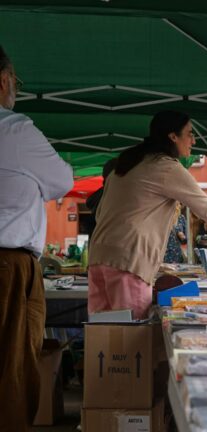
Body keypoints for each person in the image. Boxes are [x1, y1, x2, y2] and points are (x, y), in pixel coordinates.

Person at [88, 110, 207, 319]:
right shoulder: (166, 167)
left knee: (102, 335)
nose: (193, 140)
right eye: (189, 133)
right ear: (173, 136)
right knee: (129, 339)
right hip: (129, 261)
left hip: (99, 256)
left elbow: (100, 213)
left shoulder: (128, 162)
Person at [0, 46, 74, 432]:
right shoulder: (14, 128)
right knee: (13, 370)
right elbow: (63, 179)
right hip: (9, 264)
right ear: (4, 81)